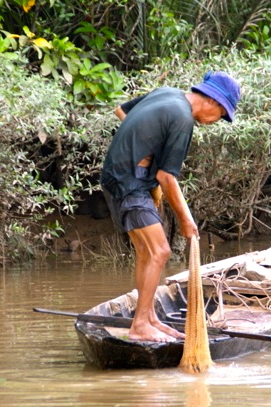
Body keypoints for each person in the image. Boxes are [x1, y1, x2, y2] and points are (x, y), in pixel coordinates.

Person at [100, 71, 241, 342]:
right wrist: (187, 220)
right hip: (130, 183)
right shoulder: (182, 119)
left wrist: (142, 151)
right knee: (160, 251)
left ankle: (149, 316)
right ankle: (140, 324)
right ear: (212, 101)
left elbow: (122, 111)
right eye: (221, 115)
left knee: (145, 251)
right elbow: (166, 177)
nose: (216, 121)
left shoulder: (166, 93)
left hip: (116, 177)